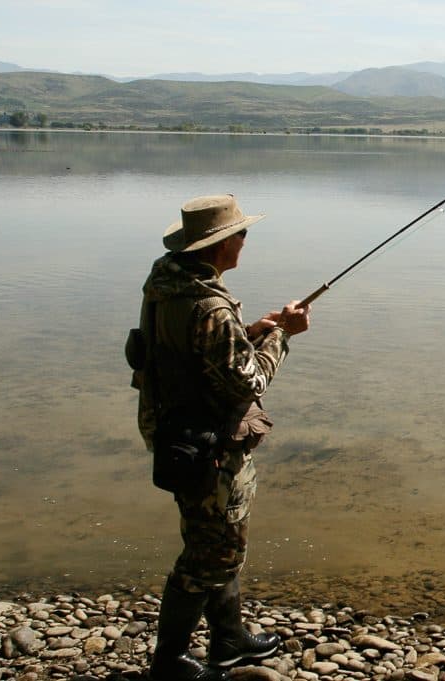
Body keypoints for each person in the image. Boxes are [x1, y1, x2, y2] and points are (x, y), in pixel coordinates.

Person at [131, 194, 310, 681]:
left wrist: (248, 330)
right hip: (205, 445)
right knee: (211, 551)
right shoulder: (208, 305)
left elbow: (194, 354)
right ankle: (169, 661)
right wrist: (283, 335)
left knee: (221, 539)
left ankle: (228, 640)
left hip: (176, 432)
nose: (245, 242)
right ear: (219, 246)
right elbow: (248, 383)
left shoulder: (167, 284)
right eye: (241, 235)